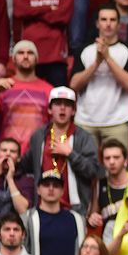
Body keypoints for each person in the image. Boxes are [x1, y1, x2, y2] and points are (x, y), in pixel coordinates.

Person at [20, 86, 102, 215]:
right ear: (49, 109)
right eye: (58, 103)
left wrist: (70, 154)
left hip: (74, 209)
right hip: (42, 207)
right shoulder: (39, 136)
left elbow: (93, 171)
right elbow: (24, 165)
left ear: (74, 110)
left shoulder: (84, 138)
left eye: (68, 105)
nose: (62, 108)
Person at [68, 4, 128, 149]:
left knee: (116, 169)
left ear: (119, 24)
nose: (108, 24)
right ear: (97, 23)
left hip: (118, 121)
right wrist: (96, 63)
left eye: (112, 20)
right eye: (104, 19)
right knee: (85, 169)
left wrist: (108, 58)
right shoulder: (84, 50)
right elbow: (73, 85)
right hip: (86, 120)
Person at [13, 0, 73, 88]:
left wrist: (33, 11)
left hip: (56, 57)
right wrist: (47, 8)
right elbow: (20, 12)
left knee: (57, 101)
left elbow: (62, 17)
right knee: (29, 101)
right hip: (29, 55)